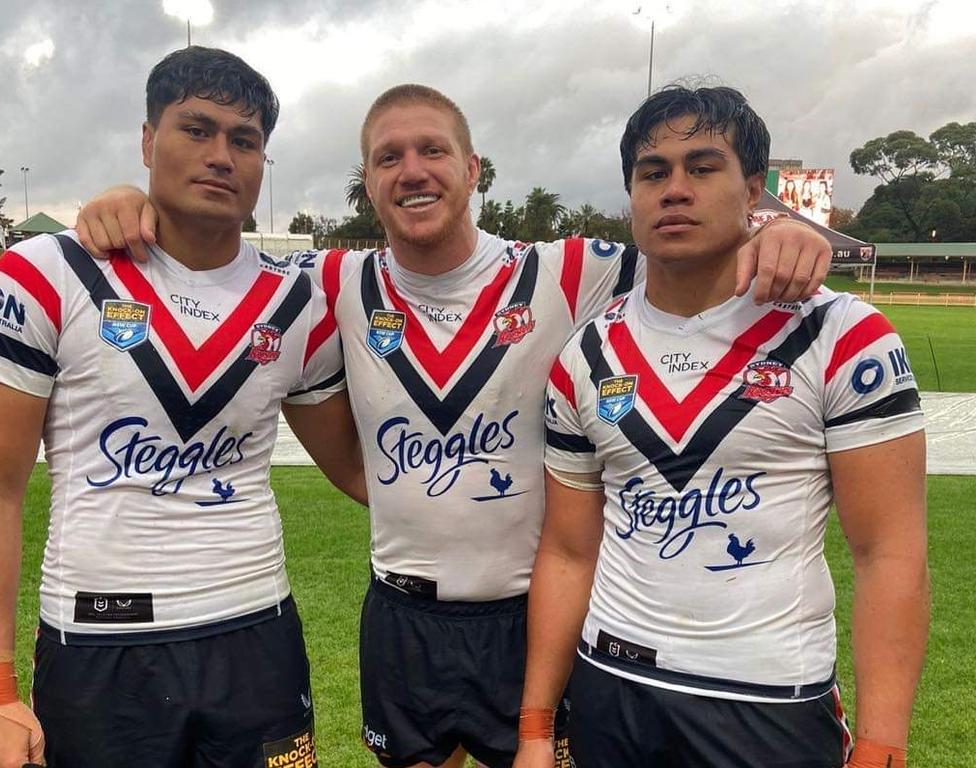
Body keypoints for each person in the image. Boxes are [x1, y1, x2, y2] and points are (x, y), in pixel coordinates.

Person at [75, 83, 834, 768]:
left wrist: (773, 233)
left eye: (433, 150)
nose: (412, 170)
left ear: (475, 171)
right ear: (367, 184)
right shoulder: (330, 283)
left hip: (532, 618)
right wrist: (126, 198)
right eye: (388, 158)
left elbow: (694, 251)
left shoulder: (572, 270)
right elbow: (205, 256)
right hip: (404, 618)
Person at [0, 46, 364, 768]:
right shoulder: (46, 273)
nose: (220, 156)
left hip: (256, 634)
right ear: (147, 141)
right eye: (195, 130)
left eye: (244, 141)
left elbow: (358, 469)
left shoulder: (299, 303)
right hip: (99, 648)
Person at [514, 85, 928, 768]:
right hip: (612, 689)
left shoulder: (841, 335)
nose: (675, 189)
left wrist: (883, 744)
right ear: (631, 195)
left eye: (702, 167)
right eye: (654, 172)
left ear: (753, 190)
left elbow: (889, 554)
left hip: (768, 701)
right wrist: (535, 726)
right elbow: (567, 553)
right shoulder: (585, 358)